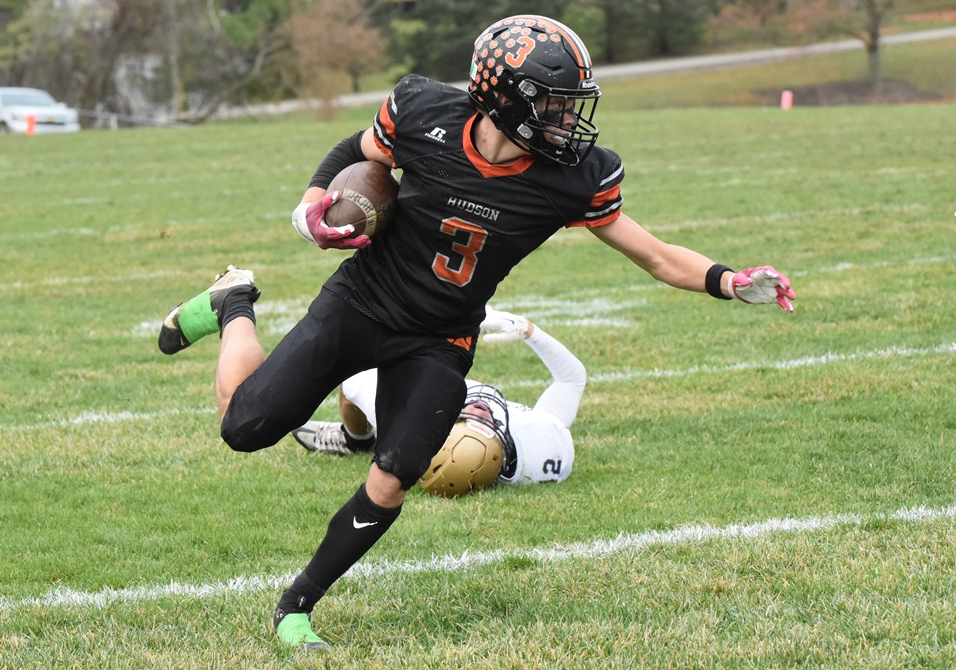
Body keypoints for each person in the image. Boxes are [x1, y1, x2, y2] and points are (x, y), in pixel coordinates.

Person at [156, 14, 795, 652]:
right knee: (244, 429)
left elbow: (653, 254)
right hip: (362, 300)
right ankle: (235, 300)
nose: (569, 122)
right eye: (553, 106)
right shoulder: (423, 111)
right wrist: (310, 207)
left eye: (573, 107)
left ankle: (296, 605)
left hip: (440, 337)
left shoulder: (574, 176)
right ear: (504, 100)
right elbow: (359, 150)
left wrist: (730, 281)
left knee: (396, 473)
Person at [291, 307, 584, 492]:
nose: (479, 409)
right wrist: (527, 329)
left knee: (357, 373)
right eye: (485, 420)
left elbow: (355, 379)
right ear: (503, 446)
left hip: (424, 408)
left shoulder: (411, 424)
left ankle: (354, 438)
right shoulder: (546, 443)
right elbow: (572, 378)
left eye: (465, 418)